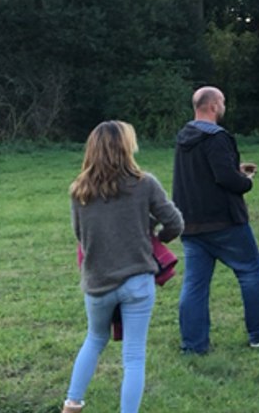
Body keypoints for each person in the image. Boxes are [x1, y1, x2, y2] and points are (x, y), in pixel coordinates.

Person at [64, 120, 184, 413]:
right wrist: (154, 237)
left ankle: (72, 403)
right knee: (134, 356)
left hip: (97, 282)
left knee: (94, 339)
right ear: (126, 148)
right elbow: (175, 223)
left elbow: (81, 237)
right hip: (137, 281)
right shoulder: (145, 184)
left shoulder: (79, 191)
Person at [173, 86, 259, 353]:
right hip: (224, 222)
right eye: (223, 101)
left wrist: (233, 169)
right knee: (250, 271)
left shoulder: (184, 137)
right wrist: (245, 181)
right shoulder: (217, 137)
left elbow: (204, 174)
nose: (224, 106)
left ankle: (193, 345)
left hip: (191, 223)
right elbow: (226, 180)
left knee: (194, 284)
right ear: (213, 106)